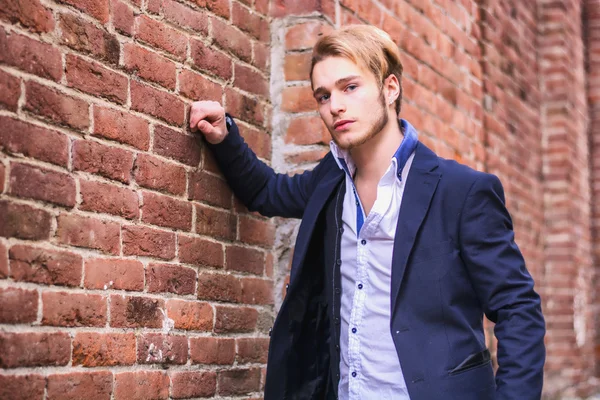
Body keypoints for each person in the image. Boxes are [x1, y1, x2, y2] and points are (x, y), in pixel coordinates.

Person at [189, 25, 545, 400]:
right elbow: (267, 191)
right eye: (323, 96)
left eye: (350, 87)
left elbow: (518, 309)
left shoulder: (461, 190)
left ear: (390, 88)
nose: (335, 106)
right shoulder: (331, 180)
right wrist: (224, 136)